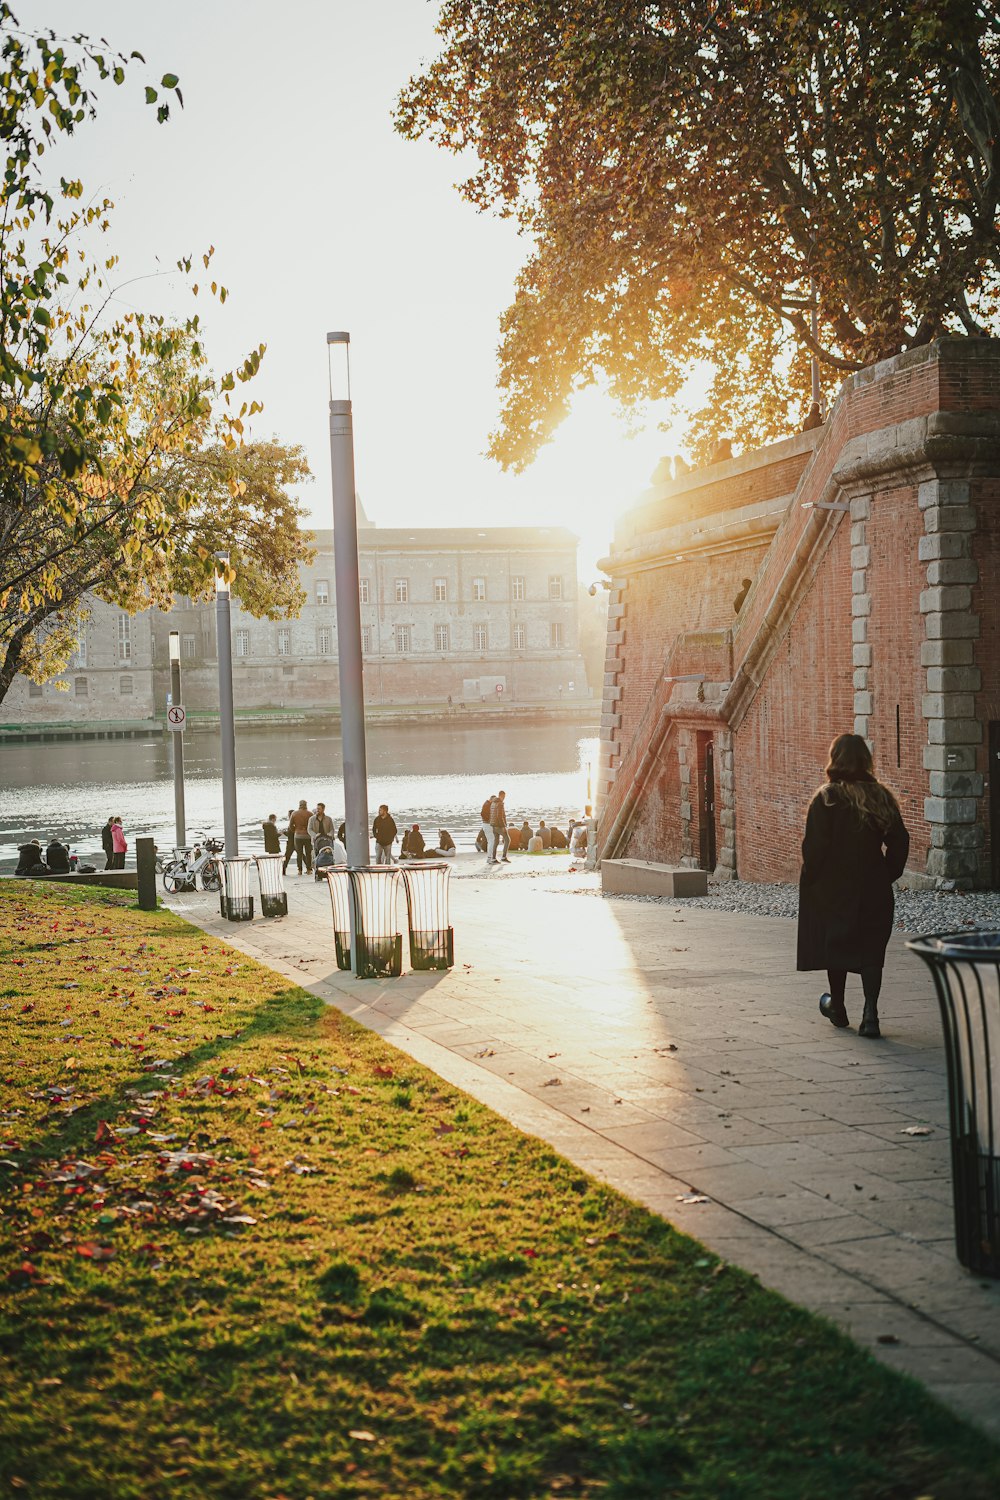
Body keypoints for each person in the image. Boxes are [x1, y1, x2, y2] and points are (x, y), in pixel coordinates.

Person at [797, 733, 910, 1040]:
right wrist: (887, 873)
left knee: (838, 945)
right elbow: (899, 841)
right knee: (872, 950)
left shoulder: (827, 798)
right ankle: (870, 1014)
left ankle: (838, 1006)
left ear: (835, 759)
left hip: (836, 888)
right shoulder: (881, 797)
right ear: (865, 760)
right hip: (874, 886)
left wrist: (812, 878)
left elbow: (815, 848)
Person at [288, 799, 312, 875]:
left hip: (298, 835)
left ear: (299, 805)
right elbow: (312, 825)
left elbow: (290, 825)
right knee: (308, 853)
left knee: (299, 853)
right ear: (306, 805)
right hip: (308, 835)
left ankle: (300, 870)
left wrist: (295, 830)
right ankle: (309, 869)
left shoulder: (294, 814)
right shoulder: (310, 814)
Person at [490, 790, 510, 864]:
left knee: (496, 841)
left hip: (493, 825)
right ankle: (504, 857)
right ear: (501, 796)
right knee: (507, 839)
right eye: (504, 796)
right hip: (499, 825)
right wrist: (503, 826)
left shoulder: (493, 803)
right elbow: (499, 816)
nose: (504, 798)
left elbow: (492, 814)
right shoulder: (500, 804)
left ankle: (493, 858)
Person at [480, 793, 496, 864]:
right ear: (491, 799)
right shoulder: (488, 805)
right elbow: (483, 814)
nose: (494, 803)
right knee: (491, 841)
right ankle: (490, 858)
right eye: (494, 801)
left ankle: (491, 857)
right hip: (487, 824)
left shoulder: (486, 804)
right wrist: (489, 820)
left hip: (485, 824)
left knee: (491, 841)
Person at [281, 808, 296, 874]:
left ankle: (283, 869)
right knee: (302, 856)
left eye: (289, 815)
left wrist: (284, 832)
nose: (288, 816)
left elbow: (290, 834)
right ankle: (308, 868)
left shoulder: (292, 823)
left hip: (291, 842)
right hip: (296, 841)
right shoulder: (296, 822)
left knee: (287, 856)